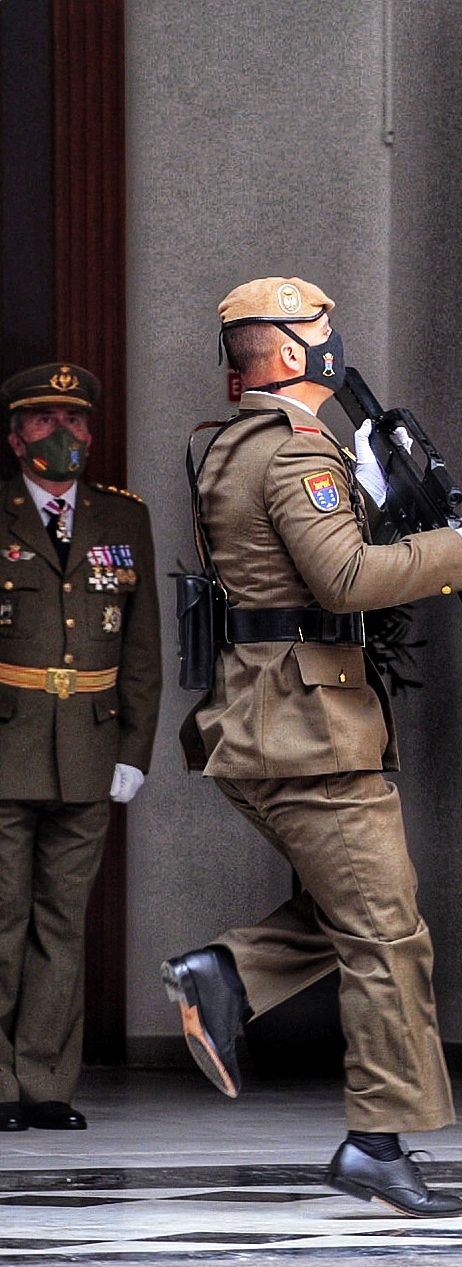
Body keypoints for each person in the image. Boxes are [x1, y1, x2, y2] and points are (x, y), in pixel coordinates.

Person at [162, 278, 462, 1218]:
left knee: (368, 909)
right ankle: (376, 1144)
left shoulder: (229, 444)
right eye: (321, 329)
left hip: (272, 718)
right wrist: (456, 551)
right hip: (308, 727)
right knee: (388, 934)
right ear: (297, 355)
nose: (336, 339)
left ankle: (226, 972)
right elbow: (344, 577)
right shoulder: (295, 453)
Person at [0, 363, 160, 1131]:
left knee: (62, 922)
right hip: (6, 744)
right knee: (2, 916)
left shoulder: (122, 520)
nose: (65, 434)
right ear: (15, 434)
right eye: (45, 420)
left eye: (77, 421)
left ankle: (46, 1084)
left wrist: (135, 745)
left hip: (90, 750)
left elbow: (142, 646)